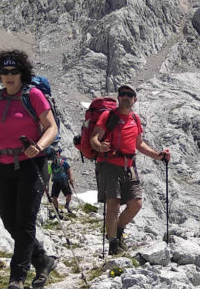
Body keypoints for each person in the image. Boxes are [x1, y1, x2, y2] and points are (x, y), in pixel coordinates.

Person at [0, 50, 58, 289]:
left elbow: (51, 127)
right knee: (10, 221)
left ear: (22, 74)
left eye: (13, 72)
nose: (8, 77)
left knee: (25, 220)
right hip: (4, 164)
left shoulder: (34, 96)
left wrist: (39, 146)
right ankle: (42, 260)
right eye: (4, 72)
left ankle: (17, 278)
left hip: (32, 163)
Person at [90, 83, 169, 255]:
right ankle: (113, 246)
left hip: (129, 165)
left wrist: (158, 156)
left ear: (135, 99)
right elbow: (94, 138)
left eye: (129, 94)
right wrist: (99, 146)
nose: (125, 96)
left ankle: (117, 232)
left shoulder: (135, 119)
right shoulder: (108, 115)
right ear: (118, 97)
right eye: (122, 93)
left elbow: (139, 143)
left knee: (136, 204)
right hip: (109, 164)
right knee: (113, 204)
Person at [49, 150, 75, 214]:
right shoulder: (51, 165)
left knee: (68, 194)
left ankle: (66, 205)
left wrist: (71, 179)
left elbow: (69, 171)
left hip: (63, 180)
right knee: (54, 197)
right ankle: (58, 209)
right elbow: (49, 174)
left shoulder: (64, 163)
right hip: (57, 181)